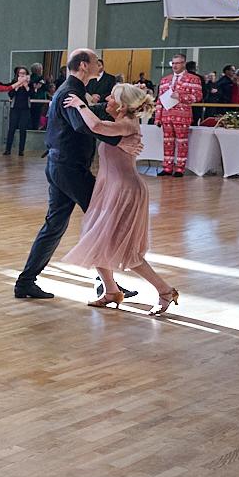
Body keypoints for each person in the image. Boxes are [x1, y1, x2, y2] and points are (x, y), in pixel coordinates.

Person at [14, 48, 144, 300]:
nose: (99, 65)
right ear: (84, 65)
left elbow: (89, 118)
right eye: (96, 62)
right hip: (69, 168)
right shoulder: (70, 93)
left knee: (55, 225)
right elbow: (82, 124)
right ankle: (107, 286)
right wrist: (120, 140)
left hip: (62, 166)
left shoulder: (73, 91)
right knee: (101, 222)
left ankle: (25, 282)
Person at [60, 84, 180, 315]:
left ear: (123, 105)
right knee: (95, 239)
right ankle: (111, 291)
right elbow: (95, 123)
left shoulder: (126, 125)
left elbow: (95, 125)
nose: (107, 99)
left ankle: (165, 290)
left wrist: (80, 104)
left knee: (126, 251)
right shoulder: (121, 122)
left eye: (112, 97)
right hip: (111, 189)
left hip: (126, 192)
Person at [154, 53, 202, 177]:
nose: (175, 66)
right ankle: (167, 167)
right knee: (167, 142)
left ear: (184, 64)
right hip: (166, 115)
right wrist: (157, 117)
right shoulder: (165, 80)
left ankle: (180, 168)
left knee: (182, 142)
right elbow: (159, 100)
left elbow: (198, 97)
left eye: (178, 63)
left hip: (182, 115)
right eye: (173, 63)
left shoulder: (193, 79)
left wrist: (181, 97)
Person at [5, 66, 32, 156]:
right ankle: (8, 149)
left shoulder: (29, 83)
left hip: (25, 109)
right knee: (11, 129)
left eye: (24, 73)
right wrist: (16, 87)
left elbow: (32, 94)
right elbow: (10, 94)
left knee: (23, 129)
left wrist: (26, 86)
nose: (22, 75)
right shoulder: (14, 82)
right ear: (17, 74)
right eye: (20, 73)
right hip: (14, 109)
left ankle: (21, 150)